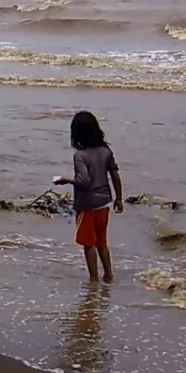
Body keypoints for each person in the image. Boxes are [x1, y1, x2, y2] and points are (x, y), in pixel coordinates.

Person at [54, 111, 123, 283]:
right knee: (102, 242)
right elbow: (115, 175)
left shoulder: (80, 155)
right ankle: (108, 275)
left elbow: (83, 181)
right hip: (104, 203)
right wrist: (119, 198)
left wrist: (64, 180)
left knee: (88, 244)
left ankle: (93, 278)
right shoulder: (106, 151)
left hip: (87, 205)